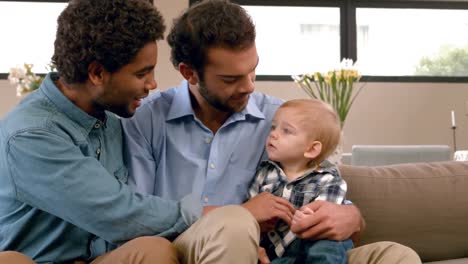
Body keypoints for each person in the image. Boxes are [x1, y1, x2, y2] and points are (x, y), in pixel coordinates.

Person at [122, 0, 421, 263]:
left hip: (280, 253)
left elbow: (318, 181)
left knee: (395, 256)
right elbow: (136, 216)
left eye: (253, 70)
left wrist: (351, 218)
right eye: (231, 78)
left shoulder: (278, 118)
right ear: (189, 73)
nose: (249, 86)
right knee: (235, 225)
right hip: (188, 249)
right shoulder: (145, 119)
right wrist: (242, 215)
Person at [0, 0, 259, 263]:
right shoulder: (30, 134)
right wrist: (204, 212)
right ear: (97, 73)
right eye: (142, 73)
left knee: (157, 248)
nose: (152, 84)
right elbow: (115, 212)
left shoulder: (113, 120)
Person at [248, 99, 353, 263]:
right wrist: (257, 222)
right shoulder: (264, 173)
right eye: (274, 127)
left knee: (330, 243)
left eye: (286, 131)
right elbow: (250, 207)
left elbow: (327, 216)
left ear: (311, 149)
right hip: (275, 252)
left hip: (310, 243)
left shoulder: (328, 180)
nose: (274, 134)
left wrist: (307, 217)